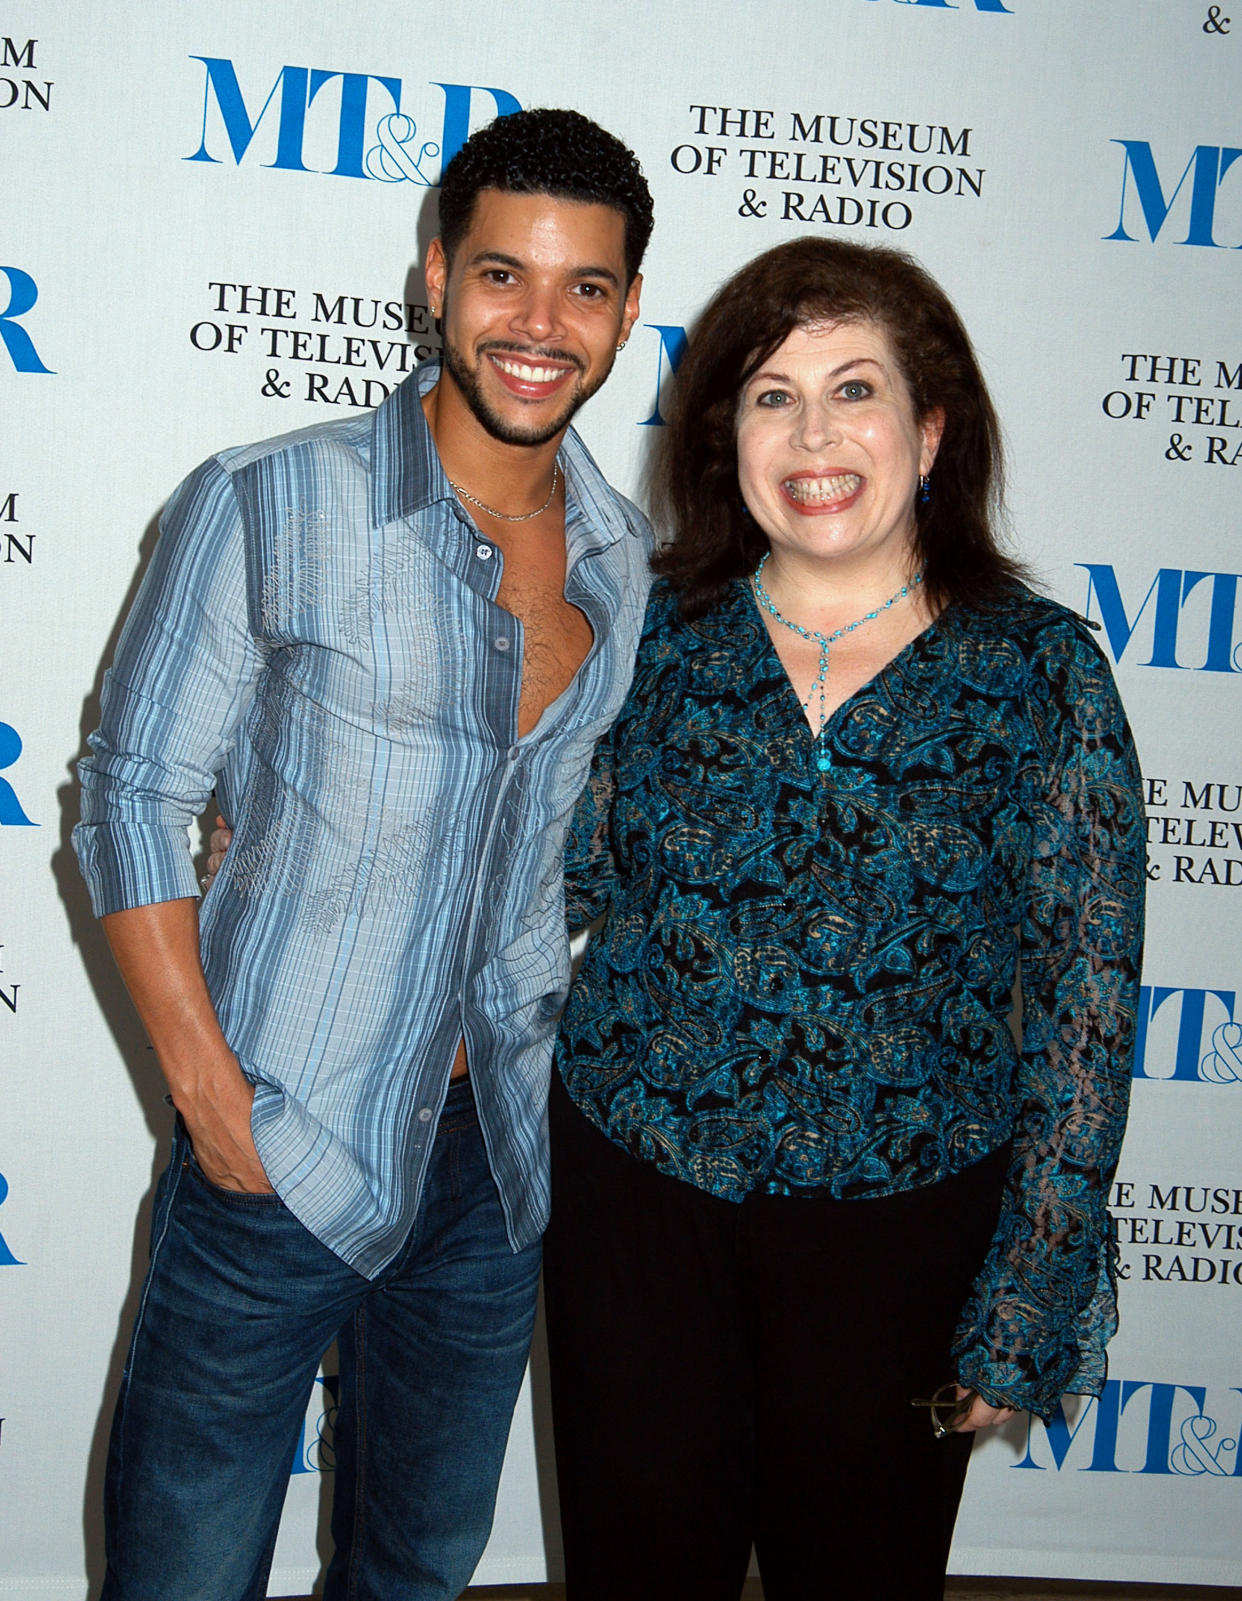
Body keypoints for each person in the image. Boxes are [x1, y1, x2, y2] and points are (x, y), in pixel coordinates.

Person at [72, 108, 653, 1601]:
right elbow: (132, 793)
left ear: (627, 309)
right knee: (179, 1573)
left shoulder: (620, 558)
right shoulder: (269, 498)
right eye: (502, 276)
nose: (540, 323)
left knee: (416, 1565)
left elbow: (562, 840)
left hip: (489, 1165)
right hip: (280, 1133)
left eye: (583, 286)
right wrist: (210, 1098)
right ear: (433, 278)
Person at [541, 236, 1146, 1601]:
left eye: (853, 389)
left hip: (906, 1226)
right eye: (768, 395)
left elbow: (1086, 1000)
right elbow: (543, 880)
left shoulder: (1037, 671)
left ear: (930, 429)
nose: (812, 434)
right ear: (725, 440)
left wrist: (1025, 1298)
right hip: (636, 1199)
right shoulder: (649, 636)